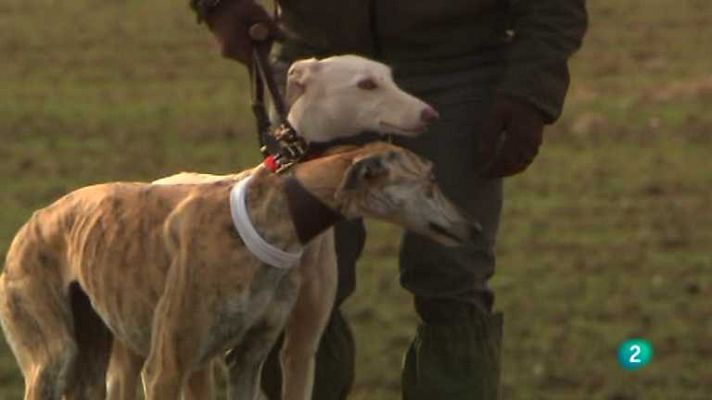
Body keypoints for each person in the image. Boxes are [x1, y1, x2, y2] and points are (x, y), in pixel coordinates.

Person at [190, 0, 588, 398]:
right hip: (318, 72)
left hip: (459, 69)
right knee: (291, 277)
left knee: (453, 280)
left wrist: (529, 94)